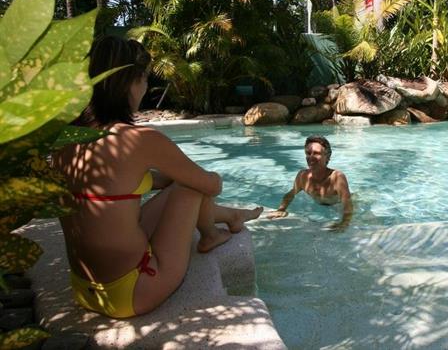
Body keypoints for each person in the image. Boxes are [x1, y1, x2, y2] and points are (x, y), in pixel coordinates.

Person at [52, 36, 262, 319]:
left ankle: (231, 217)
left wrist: (163, 177)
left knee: (179, 183)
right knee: (191, 186)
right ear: (130, 82)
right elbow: (211, 185)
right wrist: (203, 175)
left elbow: (113, 185)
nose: (145, 88)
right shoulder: (138, 140)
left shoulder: (67, 137)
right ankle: (211, 234)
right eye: (145, 79)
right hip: (132, 292)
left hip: (83, 289)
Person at [267, 135, 352, 231]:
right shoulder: (302, 176)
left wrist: (344, 223)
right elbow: (291, 194)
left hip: (337, 205)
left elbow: (347, 204)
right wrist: (281, 210)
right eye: (308, 153)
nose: (311, 157)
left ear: (327, 157)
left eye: (316, 153)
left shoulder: (337, 177)